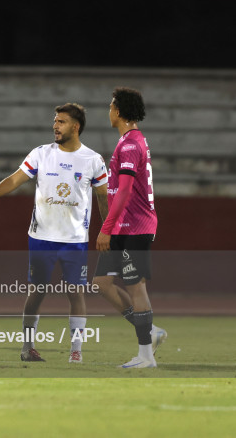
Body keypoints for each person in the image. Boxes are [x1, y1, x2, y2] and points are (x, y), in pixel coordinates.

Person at [0, 103, 108, 363]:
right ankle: (27, 347)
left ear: (76, 126)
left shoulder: (93, 160)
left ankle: (76, 351)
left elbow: (103, 198)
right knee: (37, 291)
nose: (55, 125)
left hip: (75, 241)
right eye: (55, 121)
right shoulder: (41, 153)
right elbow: (14, 180)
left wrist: (108, 230)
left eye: (61, 121)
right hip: (41, 238)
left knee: (76, 293)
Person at [94, 87, 165, 369]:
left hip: (133, 227)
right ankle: (151, 331)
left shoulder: (130, 144)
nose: (108, 111)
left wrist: (106, 228)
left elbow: (123, 193)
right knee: (102, 283)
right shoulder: (130, 141)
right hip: (124, 226)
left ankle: (146, 355)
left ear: (119, 111)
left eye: (111, 107)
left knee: (136, 288)